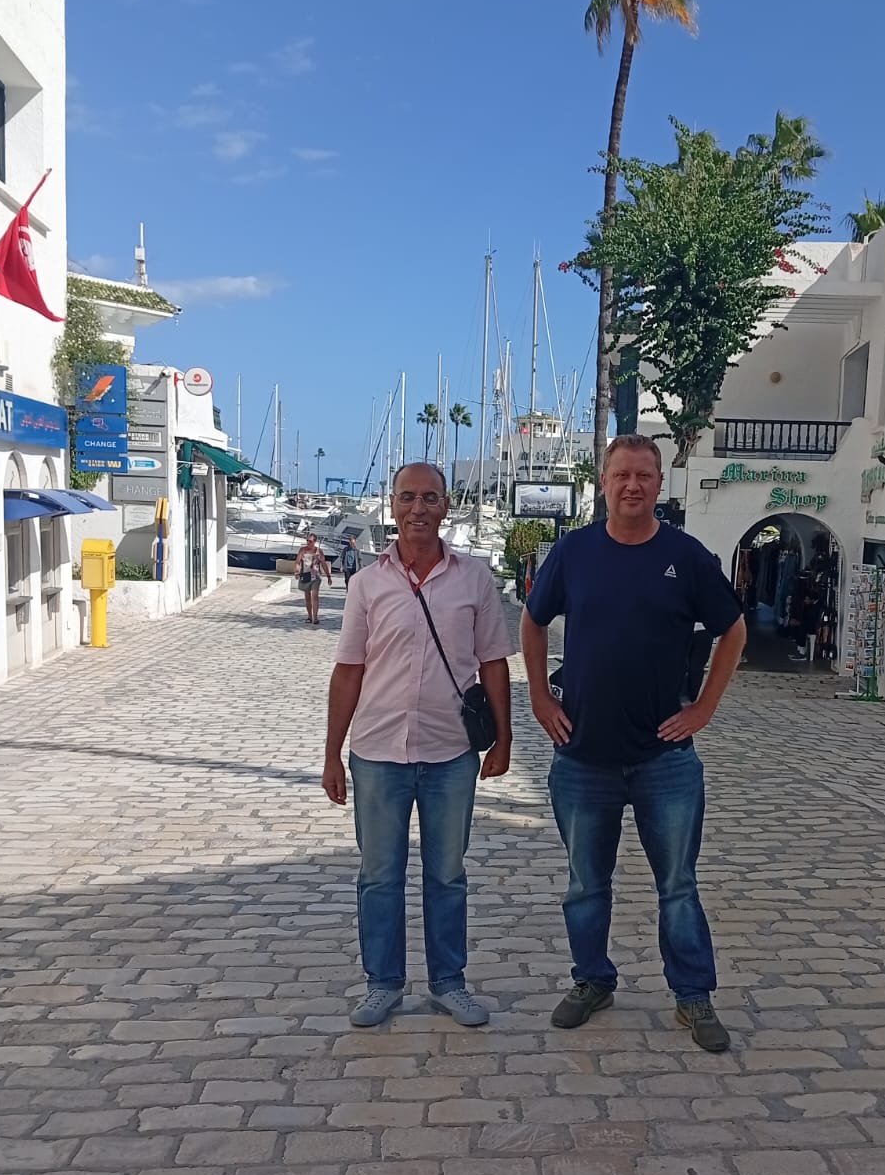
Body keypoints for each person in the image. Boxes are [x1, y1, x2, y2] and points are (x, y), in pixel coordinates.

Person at [521, 434, 747, 1054]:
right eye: (621, 475)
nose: (633, 486)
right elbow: (532, 621)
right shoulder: (573, 553)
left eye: (644, 476)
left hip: (664, 761)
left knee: (678, 885)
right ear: (604, 480)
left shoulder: (687, 556)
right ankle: (592, 980)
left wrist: (703, 709)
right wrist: (540, 698)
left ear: (658, 483)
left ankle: (693, 996)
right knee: (585, 885)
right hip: (583, 757)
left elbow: (734, 631)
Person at [322, 463, 512, 1030]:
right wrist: (332, 753)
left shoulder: (474, 579)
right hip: (378, 752)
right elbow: (349, 671)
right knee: (379, 875)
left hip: (451, 751)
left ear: (446, 507)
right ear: (392, 505)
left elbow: (494, 663)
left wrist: (502, 741)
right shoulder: (367, 583)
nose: (419, 509)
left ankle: (448, 983)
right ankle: (383, 984)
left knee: (447, 874)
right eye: (408, 498)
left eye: (430, 498)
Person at [295, 533, 331, 625]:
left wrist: (328, 576)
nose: (308, 543)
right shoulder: (302, 550)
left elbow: (323, 564)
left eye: (310, 541)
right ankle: (309, 616)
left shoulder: (319, 551)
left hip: (316, 576)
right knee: (307, 597)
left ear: (315, 542)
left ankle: (315, 617)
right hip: (305, 575)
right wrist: (297, 572)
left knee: (314, 596)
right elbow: (298, 562)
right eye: (307, 540)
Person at [789, 580, 823, 662]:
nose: (805, 601)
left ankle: (803, 653)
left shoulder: (817, 607)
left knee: (801, 628)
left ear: (812, 599)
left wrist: (798, 622)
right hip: (809, 623)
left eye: (807, 599)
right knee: (798, 626)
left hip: (814, 626)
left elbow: (812, 621)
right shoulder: (811, 606)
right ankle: (800, 650)